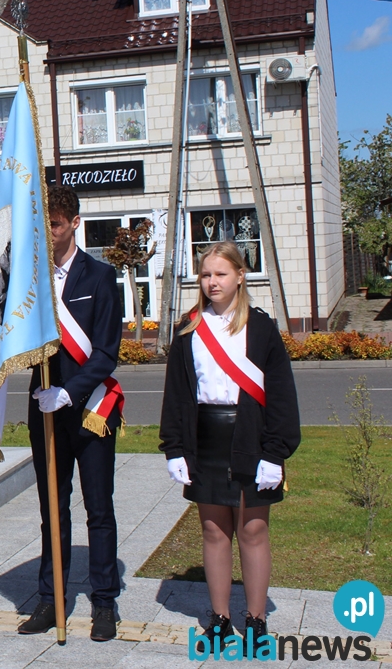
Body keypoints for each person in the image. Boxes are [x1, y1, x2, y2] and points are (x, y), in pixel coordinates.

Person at [159, 241, 300, 651]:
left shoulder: (261, 328)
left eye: (221, 274)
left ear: (240, 275)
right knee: (213, 529)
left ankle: (255, 620)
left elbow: (281, 394)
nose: (212, 282)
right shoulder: (189, 329)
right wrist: (174, 448)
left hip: (252, 437)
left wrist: (275, 453)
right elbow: (177, 393)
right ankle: (219, 619)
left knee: (253, 529)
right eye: (205, 275)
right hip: (206, 437)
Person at [19, 184, 124, 642]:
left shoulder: (99, 277)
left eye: (56, 225)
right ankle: (51, 597)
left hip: (90, 409)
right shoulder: (31, 280)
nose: (49, 232)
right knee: (51, 508)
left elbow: (106, 352)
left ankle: (104, 601)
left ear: (75, 223)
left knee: (98, 509)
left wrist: (69, 391)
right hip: (45, 410)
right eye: (43, 224)